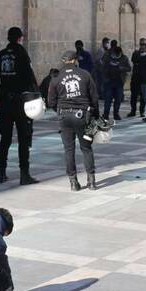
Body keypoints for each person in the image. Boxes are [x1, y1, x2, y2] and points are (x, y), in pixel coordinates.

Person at [0, 27, 39, 185]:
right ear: (19, 38)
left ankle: (1, 172)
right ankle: (24, 174)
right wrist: (36, 96)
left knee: (5, 138)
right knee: (23, 138)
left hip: (5, 101)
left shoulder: (0, 55)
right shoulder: (21, 53)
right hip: (20, 101)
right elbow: (30, 78)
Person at [47, 50, 99, 191]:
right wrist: (96, 116)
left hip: (64, 116)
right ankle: (91, 181)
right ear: (75, 60)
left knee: (69, 150)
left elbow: (51, 102)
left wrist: (60, 111)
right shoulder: (85, 74)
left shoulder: (56, 77)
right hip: (82, 116)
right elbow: (94, 98)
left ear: (64, 61)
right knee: (86, 148)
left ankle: (73, 183)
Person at [102, 43, 131, 121]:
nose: (116, 55)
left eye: (118, 54)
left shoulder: (124, 58)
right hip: (109, 81)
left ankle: (116, 114)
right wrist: (109, 65)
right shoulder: (108, 57)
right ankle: (106, 114)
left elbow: (129, 68)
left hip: (119, 81)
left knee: (118, 99)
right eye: (115, 54)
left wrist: (120, 67)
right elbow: (102, 66)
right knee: (108, 99)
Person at [128, 39, 145, 119]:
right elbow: (134, 60)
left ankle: (142, 111)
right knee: (134, 96)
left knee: (143, 97)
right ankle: (133, 111)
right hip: (135, 78)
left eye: (143, 44)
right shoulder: (136, 53)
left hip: (143, 79)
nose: (142, 46)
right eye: (141, 44)